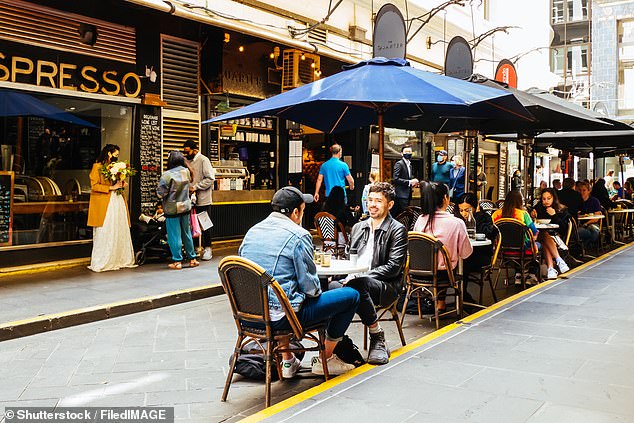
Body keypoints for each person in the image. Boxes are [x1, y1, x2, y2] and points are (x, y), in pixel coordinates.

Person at [239, 186, 360, 377]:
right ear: (296, 212)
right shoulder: (298, 235)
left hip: (248, 316)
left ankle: (288, 362)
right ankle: (325, 359)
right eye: (303, 210)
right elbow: (311, 289)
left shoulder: (251, 233)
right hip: (282, 319)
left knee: (281, 297)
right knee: (351, 295)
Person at [329, 182, 408, 365]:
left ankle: (377, 336)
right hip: (355, 281)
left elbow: (393, 267)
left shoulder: (397, 229)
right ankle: (339, 343)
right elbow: (350, 258)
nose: (372, 204)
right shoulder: (359, 227)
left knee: (357, 285)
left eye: (378, 201)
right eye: (370, 200)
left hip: (385, 286)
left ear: (390, 205)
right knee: (330, 287)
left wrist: (360, 277)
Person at [413, 182, 473, 312]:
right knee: (446, 263)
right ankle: (446, 303)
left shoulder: (420, 220)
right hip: (444, 275)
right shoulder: (456, 223)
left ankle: (440, 303)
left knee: (439, 262)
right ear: (445, 198)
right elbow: (466, 253)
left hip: (417, 274)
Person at [87, 144, 136, 272]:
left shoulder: (116, 166)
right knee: (106, 229)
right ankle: (103, 259)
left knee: (119, 227)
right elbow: (94, 186)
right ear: (108, 153)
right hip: (105, 202)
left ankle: (119, 258)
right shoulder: (97, 167)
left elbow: (116, 182)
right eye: (115, 155)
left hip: (117, 200)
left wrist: (120, 183)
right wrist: (110, 188)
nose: (117, 157)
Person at [157, 151, 199, 270]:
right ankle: (193, 259)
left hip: (172, 209)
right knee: (187, 233)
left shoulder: (167, 175)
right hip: (185, 207)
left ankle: (177, 261)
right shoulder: (186, 172)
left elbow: (161, 194)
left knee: (174, 235)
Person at [454, 193, 497, 299]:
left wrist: (476, 216)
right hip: (462, 254)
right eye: (461, 210)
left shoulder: (484, 218)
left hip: (480, 255)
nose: (464, 213)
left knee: (464, 261)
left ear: (476, 207)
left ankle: (462, 296)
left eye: (467, 210)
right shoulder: (456, 220)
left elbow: (488, 233)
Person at [492, 190, 541, 282]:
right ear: (520, 201)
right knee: (539, 245)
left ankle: (518, 274)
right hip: (523, 249)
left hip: (502, 250)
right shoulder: (523, 214)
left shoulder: (496, 215)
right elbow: (534, 231)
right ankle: (531, 273)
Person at [183, 139, 215, 261]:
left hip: (203, 198)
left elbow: (210, 178)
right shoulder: (186, 161)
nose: (185, 154)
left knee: (204, 223)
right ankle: (195, 247)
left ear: (195, 150)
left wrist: (196, 187)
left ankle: (208, 248)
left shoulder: (203, 160)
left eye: (187, 151)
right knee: (192, 223)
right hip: (189, 199)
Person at [529, 188, 571, 278]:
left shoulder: (561, 209)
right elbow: (533, 224)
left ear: (553, 198)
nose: (546, 201)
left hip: (555, 237)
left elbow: (563, 229)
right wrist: (532, 216)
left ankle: (551, 268)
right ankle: (558, 261)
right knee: (544, 235)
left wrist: (554, 215)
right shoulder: (538, 208)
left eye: (549, 198)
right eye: (544, 199)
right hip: (538, 236)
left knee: (545, 239)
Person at [392, 145, 419, 217]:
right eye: (406, 152)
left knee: (406, 214)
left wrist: (412, 183)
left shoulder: (410, 165)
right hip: (401, 194)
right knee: (402, 214)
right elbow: (395, 178)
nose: (408, 153)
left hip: (408, 193)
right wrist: (409, 182)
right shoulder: (399, 164)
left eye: (410, 152)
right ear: (402, 153)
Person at [578, 181, 602, 248]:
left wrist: (586, 224)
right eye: (580, 190)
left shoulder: (595, 201)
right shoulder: (576, 201)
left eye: (584, 190)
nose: (581, 192)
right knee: (580, 232)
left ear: (589, 191)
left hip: (592, 223)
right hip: (579, 224)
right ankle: (585, 246)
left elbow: (596, 217)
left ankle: (583, 246)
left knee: (594, 230)